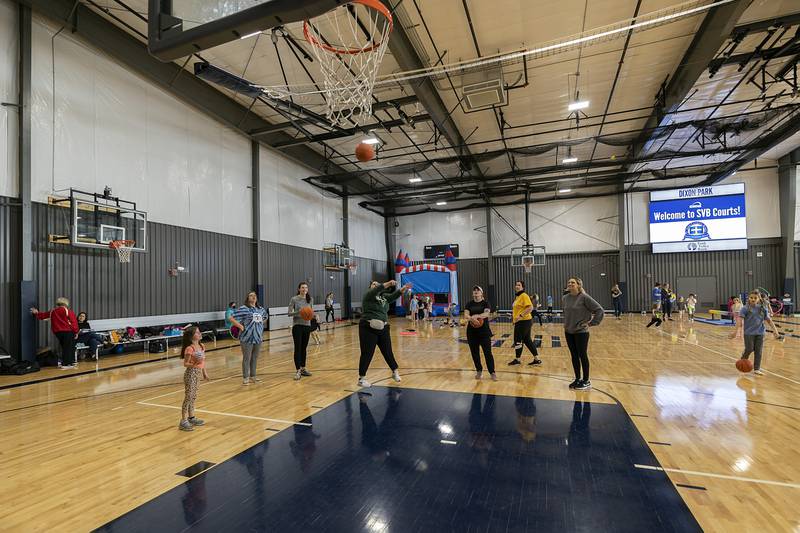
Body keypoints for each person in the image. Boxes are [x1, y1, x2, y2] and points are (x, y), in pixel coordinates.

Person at [357, 280, 412, 387]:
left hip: (383, 328)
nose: (376, 285)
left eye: (377, 283)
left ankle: (395, 371)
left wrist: (403, 288)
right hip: (368, 328)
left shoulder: (383, 296)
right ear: (370, 287)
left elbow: (393, 296)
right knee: (367, 353)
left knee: (388, 351)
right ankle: (361, 379)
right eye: (374, 284)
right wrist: (388, 284)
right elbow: (378, 288)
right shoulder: (369, 295)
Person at [563, 277, 604, 390]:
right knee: (574, 356)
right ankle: (577, 379)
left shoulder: (584, 297)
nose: (570, 284)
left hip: (581, 332)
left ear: (578, 285)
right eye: (569, 282)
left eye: (573, 282)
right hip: (568, 331)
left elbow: (599, 310)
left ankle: (586, 380)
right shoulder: (565, 298)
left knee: (582, 355)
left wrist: (591, 323)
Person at [734, 290, 780, 375]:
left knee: (758, 351)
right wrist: (734, 333)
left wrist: (776, 332)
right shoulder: (745, 308)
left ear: (759, 299)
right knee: (749, 348)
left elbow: (770, 321)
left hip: (760, 333)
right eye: (751, 298)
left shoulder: (763, 309)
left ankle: (757, 369)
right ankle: (743, 359)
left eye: (755, 298)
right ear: (748, 298)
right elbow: (739, 321)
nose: (753, 299)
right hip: (748, 333)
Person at [230, 291, 268, 385]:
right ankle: (246, 377)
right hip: (246, 337)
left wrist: (259, 326)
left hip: (258, 337)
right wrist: (240, 326)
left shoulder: (261, 309)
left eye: (255, 295)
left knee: (255, 357)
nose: (253, 297)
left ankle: (253, 376)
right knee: (247, 358)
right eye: (251, 295)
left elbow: (265, 317)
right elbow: (231, 318)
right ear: (248, 298)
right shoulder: (244, 308)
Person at [31, 297, 79, 369]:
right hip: (68, 331)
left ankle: (70, 362)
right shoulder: (68, 311)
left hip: (58, 332)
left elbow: (43, 316)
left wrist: (36, 313)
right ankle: (66, 364)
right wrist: (76, 332)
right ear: (66, 303)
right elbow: (73, 322)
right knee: (69, 347)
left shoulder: (53, 311)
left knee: (65, 347)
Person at [178, 326, 209, 431]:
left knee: (194, 396)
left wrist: (204, 373)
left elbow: (203, 362)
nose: (200, 334)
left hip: (198, 373)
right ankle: (183, 421)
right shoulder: (189, 348)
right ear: (191, 336)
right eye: (197, 333)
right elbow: (185, 364)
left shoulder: (202, 346)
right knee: (188, 397)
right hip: (190, 374)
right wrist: (194, 364)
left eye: (199, 332)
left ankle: (191, 417)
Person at [463, 286, 496, 380]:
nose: (476, 291)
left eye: (478, 290)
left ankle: (492, 372)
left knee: (488, 353)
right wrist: (472, 318)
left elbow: (486, 314)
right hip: (471, 332)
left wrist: (477, 316)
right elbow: (466, 314)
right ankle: (479, 371)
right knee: (474, 353)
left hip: (484, 332)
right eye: (474, 290)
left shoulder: (486, 303)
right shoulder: (469, 304)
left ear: (482, 293)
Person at [507, 280, 542, 367]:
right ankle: (537, 359)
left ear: (523, 287)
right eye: (516, 285)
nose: (517, 286)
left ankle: (517, 359)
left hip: (524, 321)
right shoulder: (518, 297)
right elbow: (518, 309)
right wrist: (514, 318)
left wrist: (520, 316)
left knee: (518, 340)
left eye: (519, 285)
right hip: (521, 321)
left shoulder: (524, 295)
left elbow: (530, 308)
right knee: (527, 340)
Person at [288, 282, 314, 381]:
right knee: (297, 348)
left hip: (307, 326)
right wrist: (300, 312)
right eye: (302, 287)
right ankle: (298, 370)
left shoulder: (310, 299)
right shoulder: (294, 299)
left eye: (306, 287)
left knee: (304, 348)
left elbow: (311, 312)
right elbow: (289, 313)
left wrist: (314, 316)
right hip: (297, 326)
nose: (304, 289)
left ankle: (303, 368)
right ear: (299, 289)